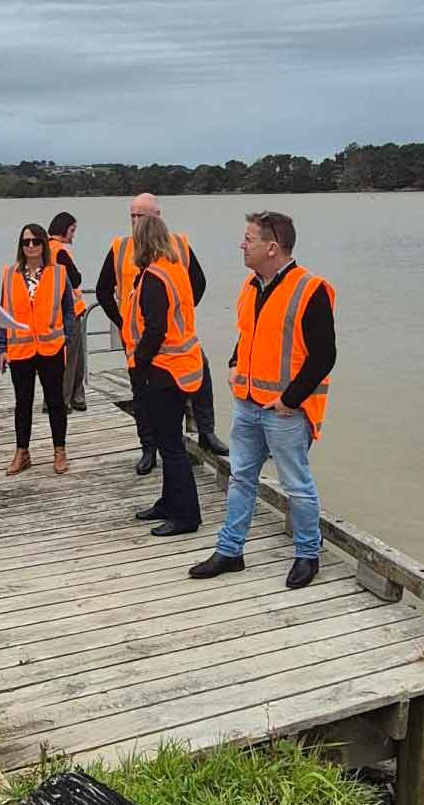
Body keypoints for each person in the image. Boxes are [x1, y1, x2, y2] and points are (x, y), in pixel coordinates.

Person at [189, 211, 336, 590]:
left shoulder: (311, 289)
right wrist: (234, 362)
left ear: (272, 247)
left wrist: (291, 399)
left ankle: (308, 554)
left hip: (285, 411)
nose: (242, 245)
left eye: (249, 239)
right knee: (240, 478)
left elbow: (324, 356)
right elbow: (248, 332)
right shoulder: (251, 285)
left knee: (296, 484)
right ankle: (230, 550)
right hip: (248, 403)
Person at [95, 192, 227, 476]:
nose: (135, 221)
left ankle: (206, 432)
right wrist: (121, 321)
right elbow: (103, 291)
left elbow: (198, 283)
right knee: (141, 393)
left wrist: (180, 315)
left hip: (177, 338)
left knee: (201, 374)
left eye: (141, 216)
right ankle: (148, 448)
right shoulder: (120, 248)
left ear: (157, 217)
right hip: (138, 340)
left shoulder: (178, 245)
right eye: (132, 215)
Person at [122, 215, 203, 536]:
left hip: (163, 370)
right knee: (170, 442)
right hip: (178, 367)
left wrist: (140, 364)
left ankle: (187, 516)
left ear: (142, 241)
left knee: (170, 446)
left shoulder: (155, 277)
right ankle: (169, 502)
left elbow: (156, 328)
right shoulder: (174, 269)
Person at [0, 223, 74, 476]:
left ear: (43, 244)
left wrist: (67, 337)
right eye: (25, 242)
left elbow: (69, 309)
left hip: (51, 347)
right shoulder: (9, 274)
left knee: (55, 401)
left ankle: (59, 451)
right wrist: (1, 347)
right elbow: (2, 312)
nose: (30, 246)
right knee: (23, 402)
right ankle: (22, 453)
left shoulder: (59, 273)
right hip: (20, 349)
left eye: (36, 241)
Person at [47, 211, 87, 412]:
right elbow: (75, 279)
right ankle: (62, 400)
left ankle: (77, 397)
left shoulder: (44, 249)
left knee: (75, 358)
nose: (73, 235)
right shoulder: (59, 251)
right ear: (64, 229)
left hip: (54, 311)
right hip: (69, 312)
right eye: (72, 230)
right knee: (70, 359)